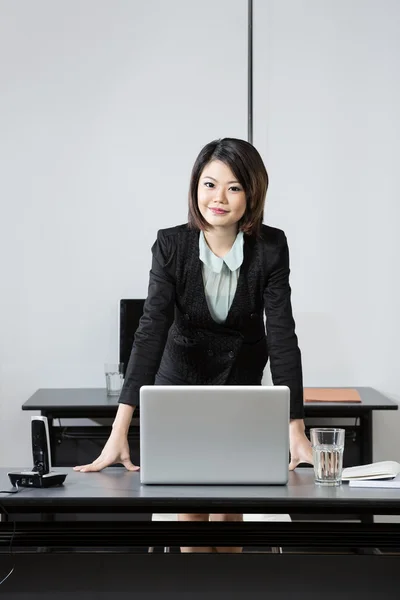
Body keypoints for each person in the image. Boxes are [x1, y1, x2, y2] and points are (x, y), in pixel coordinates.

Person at [74, 137, 313, 553]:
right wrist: (120, 429)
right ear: (195, 188)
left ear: (252, 194)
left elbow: (282, 335)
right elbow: (150, 331)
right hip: (180, 384)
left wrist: (296, 428)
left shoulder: (271, 247)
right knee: (192, 510)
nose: (218, 198)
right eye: (209, 184)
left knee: (231, 508)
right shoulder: (171, 245)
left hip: (240, 387)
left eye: (234, 187)